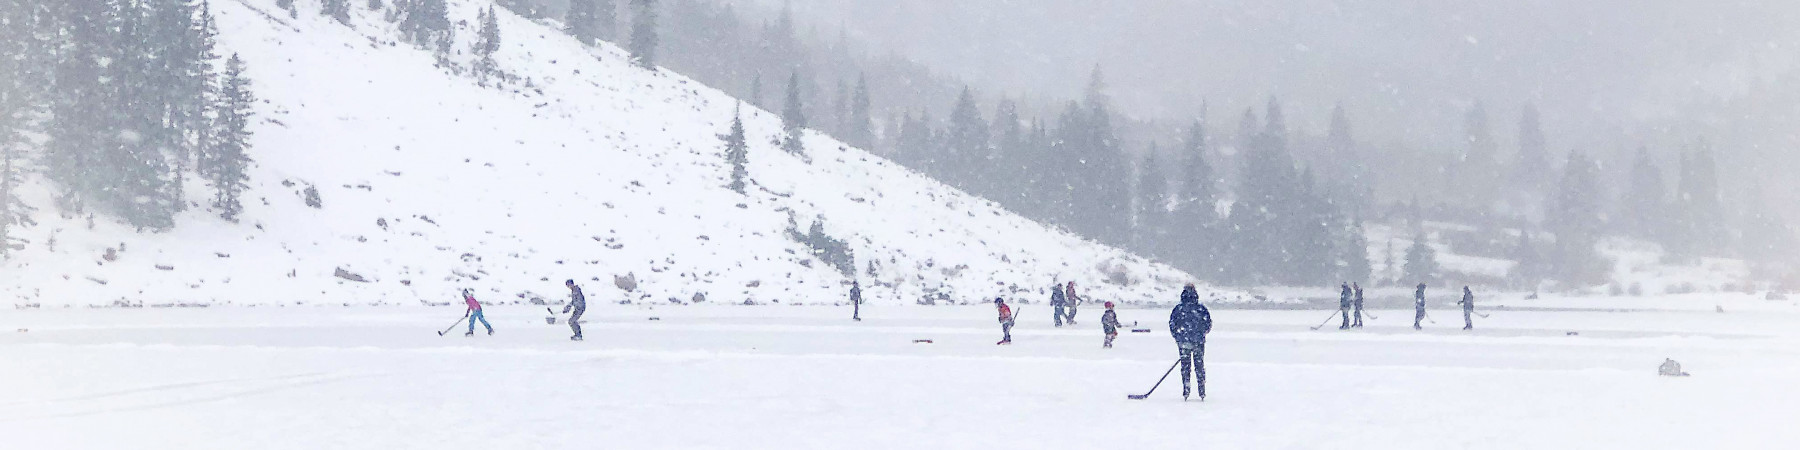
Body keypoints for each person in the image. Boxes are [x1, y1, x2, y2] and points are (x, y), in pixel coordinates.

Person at [1169, 283, 1213, 400]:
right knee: (1199, 366)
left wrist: (1178, 337)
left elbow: (1172, 325)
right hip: (1198, 342)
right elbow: (1208, 324)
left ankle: (1186, 389)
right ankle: (1201, 390)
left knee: (1185, 367)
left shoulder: (1179, 309)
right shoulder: (1200, 309)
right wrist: (1200, 334)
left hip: (1183, 342)